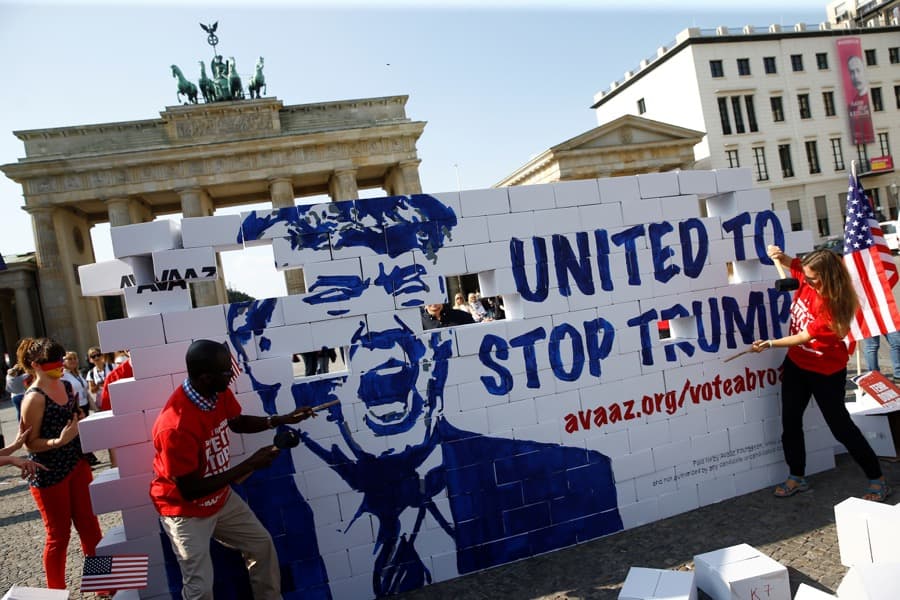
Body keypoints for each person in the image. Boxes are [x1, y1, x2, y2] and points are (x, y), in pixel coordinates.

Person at [150, 339, 317, 600]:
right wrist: (250, 463)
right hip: (185, 510)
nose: (232, 376)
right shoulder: (175, 426)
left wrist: (281, 419)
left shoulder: (216, 392)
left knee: (261, 545)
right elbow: (190, 489)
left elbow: (237, 423)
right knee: (200, 588)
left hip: (220, 498)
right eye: (227, 372)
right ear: (206, 378)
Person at [751, 246, 889, 501]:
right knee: (790, 421)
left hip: (826, 371)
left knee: (841, 427)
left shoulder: (834, 303)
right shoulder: (808, 276)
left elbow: (804, 336)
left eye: (812, 278)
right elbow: (791, 264)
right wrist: (778, 255)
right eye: (806, 276)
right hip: (797, 365)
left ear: (827, 277)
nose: (807, 281)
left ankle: (876, 479)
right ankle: (797, 476)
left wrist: (770, 343)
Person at [18, 337, 103, 589]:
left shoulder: (67, 386)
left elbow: (74, 418)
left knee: (90, 526)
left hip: (77, 463)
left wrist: (78, 419)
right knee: (58, 536)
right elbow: (28, 443)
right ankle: (56, 592)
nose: (60, 365)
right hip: (49, 473)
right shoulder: (33, 398)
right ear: (36, 365)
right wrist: (58, 441)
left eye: (60, 359)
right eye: (53, 362)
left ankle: (103, 584)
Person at [61, 351, 100, 466]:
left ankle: (88, 456)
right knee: (78, 435)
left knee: (84, 433)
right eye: (70, 359)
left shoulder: (78, 374)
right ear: (64, 362)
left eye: (75, 358)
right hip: (74, 407)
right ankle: (85, 459)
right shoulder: (64, 375)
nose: (73, 361)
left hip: (84, 405)